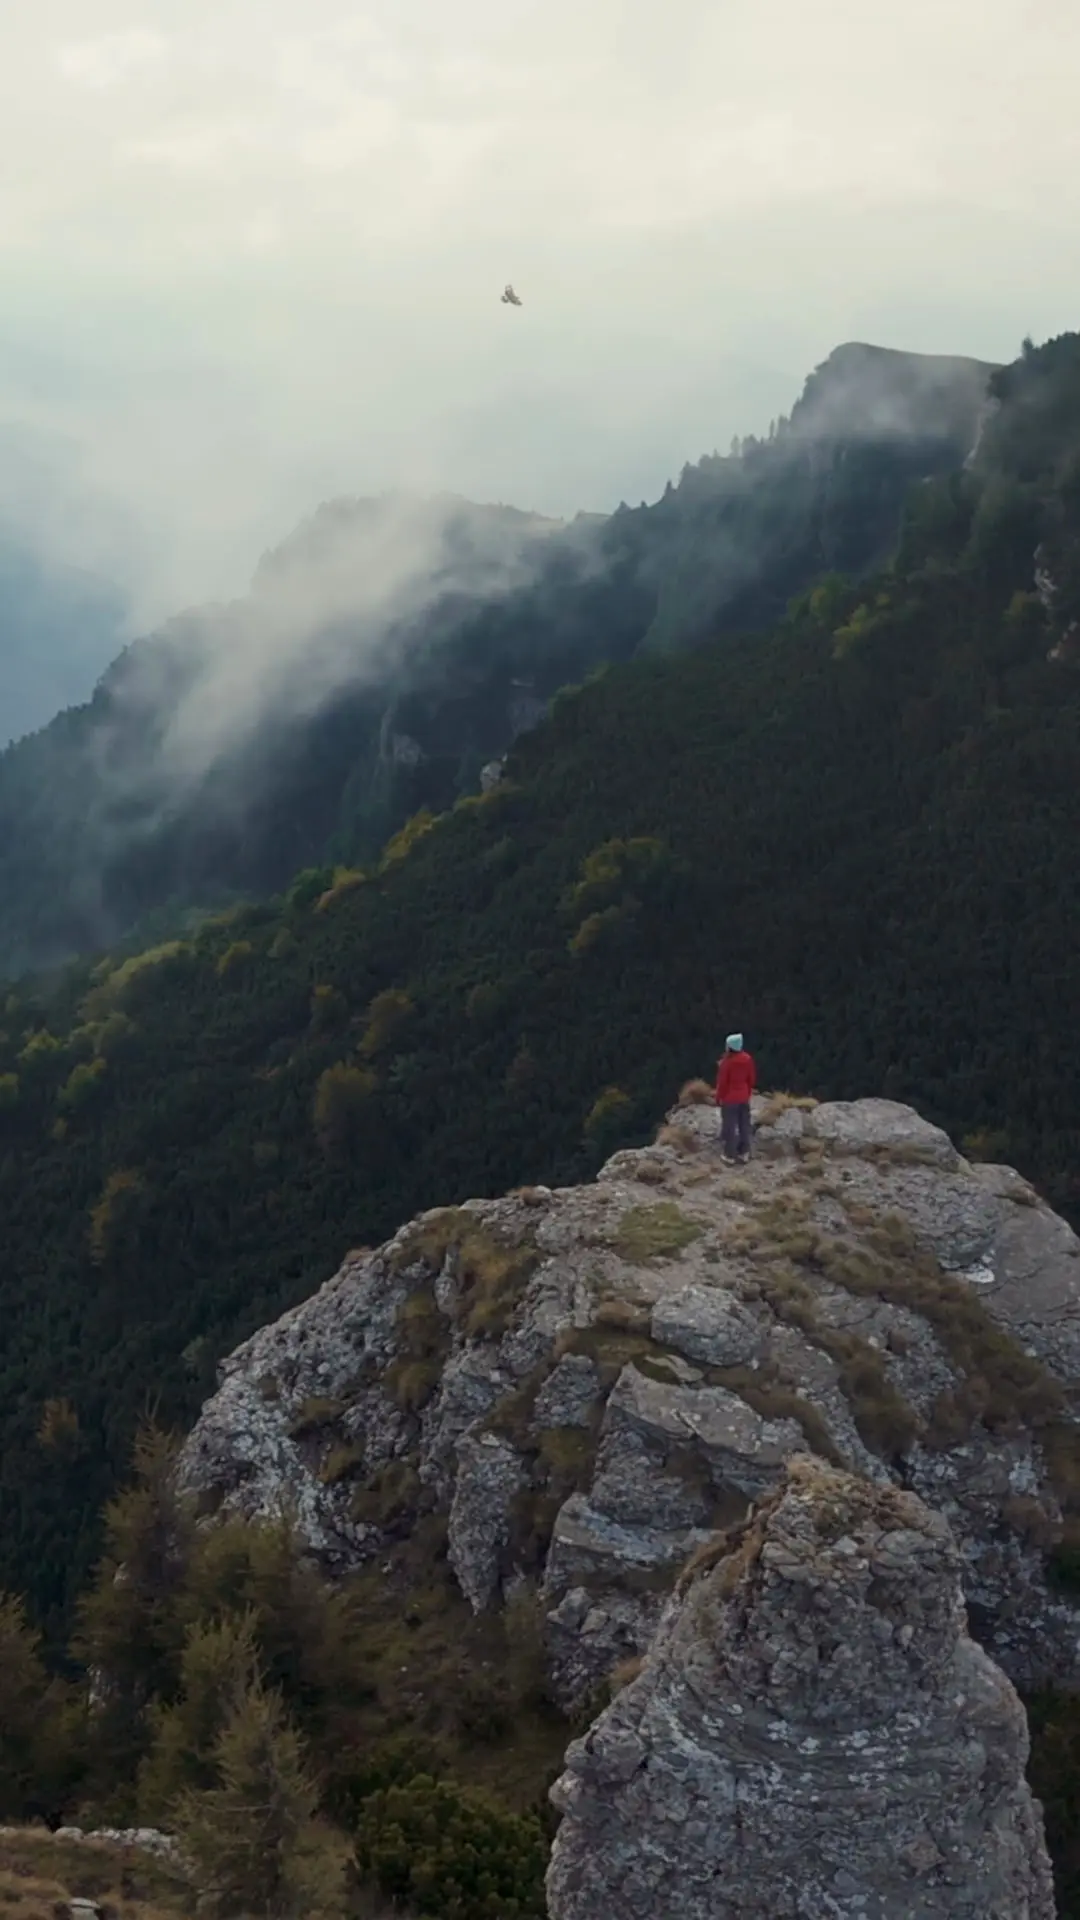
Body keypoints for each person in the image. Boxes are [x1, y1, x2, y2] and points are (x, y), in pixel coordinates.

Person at [715, 1033, 756, 1164]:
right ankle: (744, 1152)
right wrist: (747, 1092)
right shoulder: (748, 1059)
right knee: (744, 1125)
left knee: (730, 1127)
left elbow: (722, 1084)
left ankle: (730, 1155)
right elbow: (751, 1079)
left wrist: (718, 1098)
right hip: (743, 1097)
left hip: (729, 1099)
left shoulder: (726, 1063)